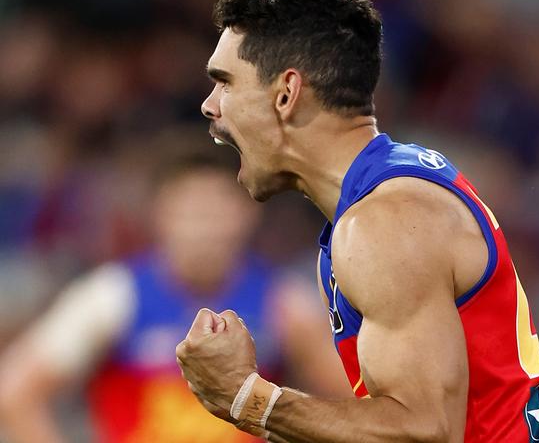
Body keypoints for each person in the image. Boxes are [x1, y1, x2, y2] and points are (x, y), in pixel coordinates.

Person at [175, 0, 539, 443]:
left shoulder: (383, 221)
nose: (209, 105)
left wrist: (246, 398)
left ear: (286, 93)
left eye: (224, 83)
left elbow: (422, 430)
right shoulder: (384, 197)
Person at [0, 150, 345, 443]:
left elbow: (354, 407)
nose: (202, 229)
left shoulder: (283, 303)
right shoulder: (111, 296)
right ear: (159, 216)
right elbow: (15, 392)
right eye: (190, 213)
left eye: (215, 212)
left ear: (247, 214)